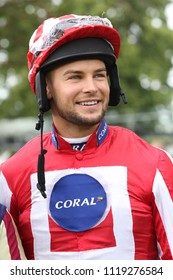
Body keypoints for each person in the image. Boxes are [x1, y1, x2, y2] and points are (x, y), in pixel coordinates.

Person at [0, 14, 173, 260]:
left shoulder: (155, 164)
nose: (91, 87)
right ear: (45, 88)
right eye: (75, 76)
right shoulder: (10, 176)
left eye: (99, 75)